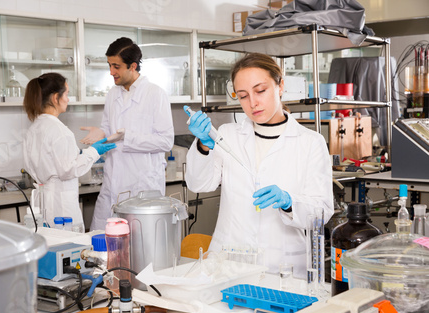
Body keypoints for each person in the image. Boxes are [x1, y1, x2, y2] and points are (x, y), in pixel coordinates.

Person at [185, 53, 333, 278]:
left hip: (284, 268)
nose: (252, 103)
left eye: (260, 91)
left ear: (280, 85)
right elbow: (199, 184)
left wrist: (289, 202)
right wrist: (204, 147)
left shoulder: (310, 142)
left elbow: (322, 211)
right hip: (228, 265)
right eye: (243, 96)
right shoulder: (227, 135)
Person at [83, 37, 174, 231]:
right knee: (102, 241)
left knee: (139, 246)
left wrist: (128, 136)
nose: (111, 72)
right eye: (109, 65)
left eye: (116, 66)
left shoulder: (155, 94)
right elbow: (109, 130)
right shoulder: (112, 94)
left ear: (132, 66)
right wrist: (100, 133)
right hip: (113, 183)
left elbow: (166, 141)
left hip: (142, 185)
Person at [23, 72, 116, 231]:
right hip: (61, 207)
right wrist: (93, 152)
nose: (68, 98)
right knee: (67, 250)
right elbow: (68, 170)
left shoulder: (33, 129)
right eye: (66, 93)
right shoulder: (60, 131)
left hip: (41, 204)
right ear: (55, 98)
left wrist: (81, 154)